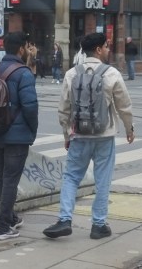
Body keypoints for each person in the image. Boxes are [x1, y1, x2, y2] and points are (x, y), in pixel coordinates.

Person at [43, 32, 135, 240]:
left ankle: (65, 219)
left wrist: (67, 134)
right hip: (105, 135)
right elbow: (124, 106)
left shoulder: (71, 74)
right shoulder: (111, 74)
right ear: (98, 49)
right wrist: (129, 129)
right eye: (106, 46)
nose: (108, 49)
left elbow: (63, 109)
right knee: (103, 179)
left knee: (71, 177)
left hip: (79, 135)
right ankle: (98, 225)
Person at [0, 31, 39, 241]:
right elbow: (30, 107)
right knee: (11, 180)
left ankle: (10, 217)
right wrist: (32, 131)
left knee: (4, 176)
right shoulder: (24, 74)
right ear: (21, 49)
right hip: (17, 136)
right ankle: (3, 226)